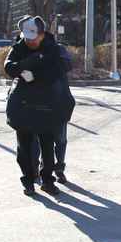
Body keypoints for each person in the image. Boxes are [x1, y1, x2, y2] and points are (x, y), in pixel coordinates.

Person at [5, 16, 70, 196]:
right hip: (23, 104)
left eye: (33, 37)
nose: (29, 41)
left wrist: (35, 75)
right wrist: (25, 64)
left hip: (47, 103)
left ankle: (48, 181)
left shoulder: (53, 49)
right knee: (24, 147)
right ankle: (28, 181)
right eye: (26, 37)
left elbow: (60, 69)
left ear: (42, 35)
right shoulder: (18, 47)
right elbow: (9, 67)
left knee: (47, 146)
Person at [31, 42, 75, 180]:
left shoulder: (58, 48)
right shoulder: (29, 50)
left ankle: (59, 167)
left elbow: (68, 65)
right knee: (35, 139)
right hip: (36, 102)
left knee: (60, 138)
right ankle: (35, 166)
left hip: (59, 101)